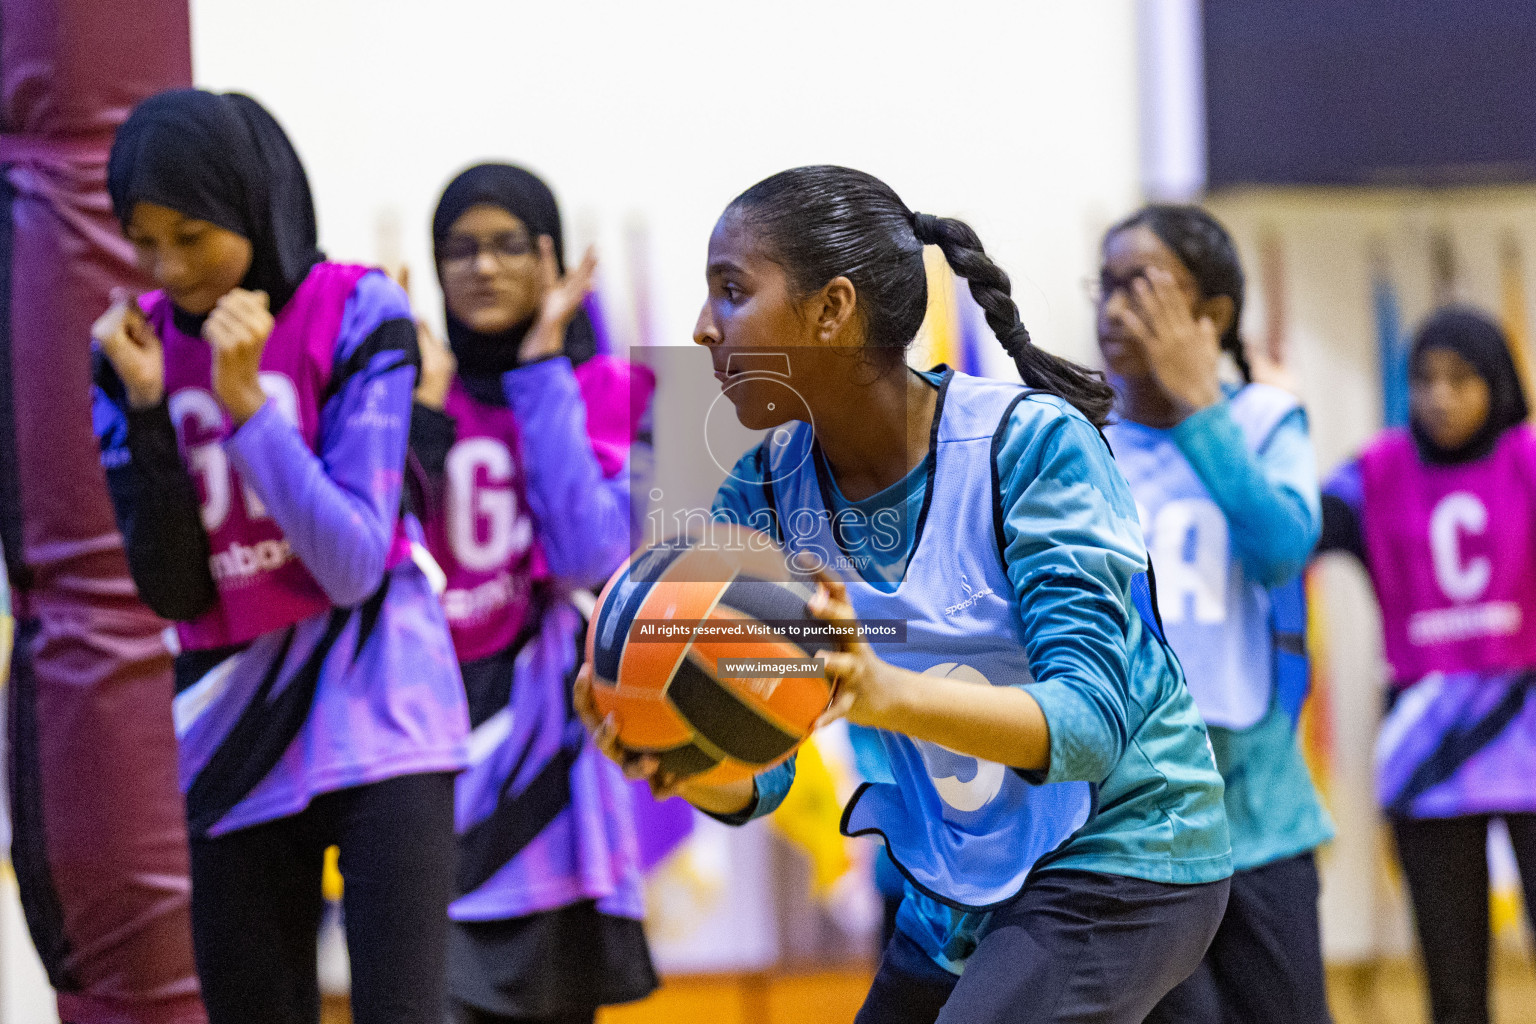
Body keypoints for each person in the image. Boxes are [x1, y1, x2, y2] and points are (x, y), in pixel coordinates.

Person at [576, 165, 1233, 1024]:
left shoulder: (1030, 447)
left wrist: (879, 692)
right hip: (961, 882)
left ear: (832, 308)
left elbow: (1090, 726)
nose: (702, 329)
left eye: (731, 291)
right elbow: (765, 770)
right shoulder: (762, 497)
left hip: (1130, 849)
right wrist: (683, 756)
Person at [91, 89, 467, 1024]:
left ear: (256, 204)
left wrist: (248, 406)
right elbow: (173, 591)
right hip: (228, 724)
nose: (168, 267)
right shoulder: (125, 352)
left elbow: (350, 565)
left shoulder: (360, 308)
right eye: (143, 240)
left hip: (384, 708)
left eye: (192, 234)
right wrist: (145, 412)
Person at [408, 163, 658, 1024]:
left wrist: (542, 364)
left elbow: (591, 557)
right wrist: (424, 412)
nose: (482, 267)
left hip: (548, 762)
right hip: (427, 739)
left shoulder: (618, 387)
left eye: (509, 244)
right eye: (460, 248)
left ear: (551, 260)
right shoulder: (401, 387)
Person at [1090, 205, 1334, 1024]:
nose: (1116, 310)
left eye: (1144, 287)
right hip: (1135, 834)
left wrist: (1202, 409)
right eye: (1107, 286)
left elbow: (1280, 547)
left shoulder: (1265, 421)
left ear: (1213, 315)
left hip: (1259, 819)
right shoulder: (1077, 442)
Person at [1317, 306, 1536, 1024]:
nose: (1440, 396)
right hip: (1425, 744)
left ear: (1498, 383)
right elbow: (1290, 531)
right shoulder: (1376, 471)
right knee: (1451, 972)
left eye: (1461, 378)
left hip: (1527, 728)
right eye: (1424, 379)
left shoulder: (1528, 458)